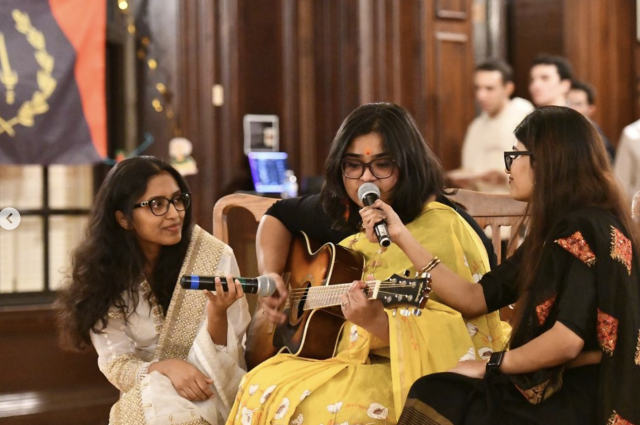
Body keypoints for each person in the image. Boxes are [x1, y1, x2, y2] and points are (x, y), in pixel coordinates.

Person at [226, 103, 509, 424]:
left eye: (382, 165)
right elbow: (277, 215)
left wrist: (379, 324)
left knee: (332, 411)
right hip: (345, 356)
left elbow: (462, 325)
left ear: (407, 165)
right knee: (259, 383)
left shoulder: (443, 226)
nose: (366, 180)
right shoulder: (344, 211)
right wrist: (272, 276)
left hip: (409, 366)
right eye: (354, 166)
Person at [396, 106, 640, 425]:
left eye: (515, 155)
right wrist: (401, 236)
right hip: (563, 385)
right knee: (441, 387)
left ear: (547, 162)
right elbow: (474, 299)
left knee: (438, 392)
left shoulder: (579, 231)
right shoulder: (564, 228)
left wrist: (491, 364)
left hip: (581, 397)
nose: (508, 168)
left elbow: (566, 342)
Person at [57, 156, 251, 425]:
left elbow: (236, 352)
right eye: (157, 204)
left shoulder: (214, 257)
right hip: (149, 397)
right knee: (158, 401)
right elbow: (116, 364)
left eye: (178, 199)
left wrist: (217, 313)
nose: (174, 213)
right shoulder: (106, 273)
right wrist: (165, 369)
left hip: (212, 388)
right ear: (124, 219)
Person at [450, 59, 533, 193]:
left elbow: (537, 167)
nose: (481, 95)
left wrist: (505, 176)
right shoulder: (476, 126)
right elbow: (470, 170)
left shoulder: (524, 116)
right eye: (477, 88)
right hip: (483, 204)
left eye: (489, 88)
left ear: (508, 88)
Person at [568, 79, 615, 161]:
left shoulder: (598, 139)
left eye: (578, 104)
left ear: (590, 109)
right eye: (567, 102)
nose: (571, 108)